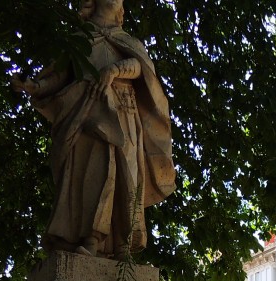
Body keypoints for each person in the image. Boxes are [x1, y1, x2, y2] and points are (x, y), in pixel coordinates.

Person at [12, 0, 175, 260]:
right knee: (97, 174)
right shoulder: (79, 39)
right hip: (89, 115)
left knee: (127, 179)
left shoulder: (129, 41)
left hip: (124, 114)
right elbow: (60, 76)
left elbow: (143, 70)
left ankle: (123, 243)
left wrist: (114, 70)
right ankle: (91, 238)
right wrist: (34, 86)